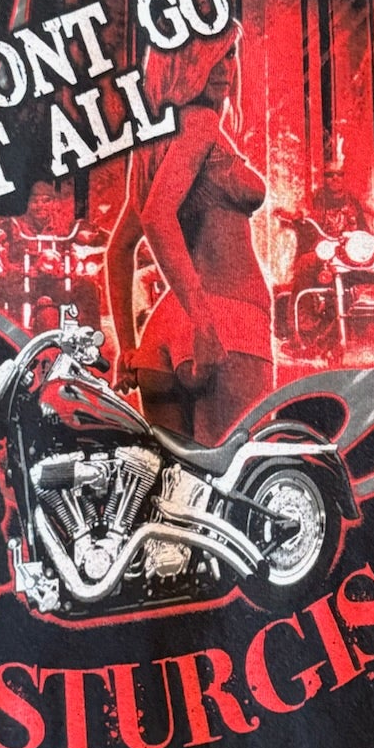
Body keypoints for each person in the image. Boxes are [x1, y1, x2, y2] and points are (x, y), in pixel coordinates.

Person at [105, 23, 272, 442]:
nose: (225, 68)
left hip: (163, 330)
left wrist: (128, 347)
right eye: (210, 56)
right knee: (237, 476)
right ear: (182, 63)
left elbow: (119, 249)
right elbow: (157, 216)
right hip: (227, 324)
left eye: (230, 54)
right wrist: (203, 323)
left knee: (170, 481)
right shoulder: (200, 124)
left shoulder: (155, 144)